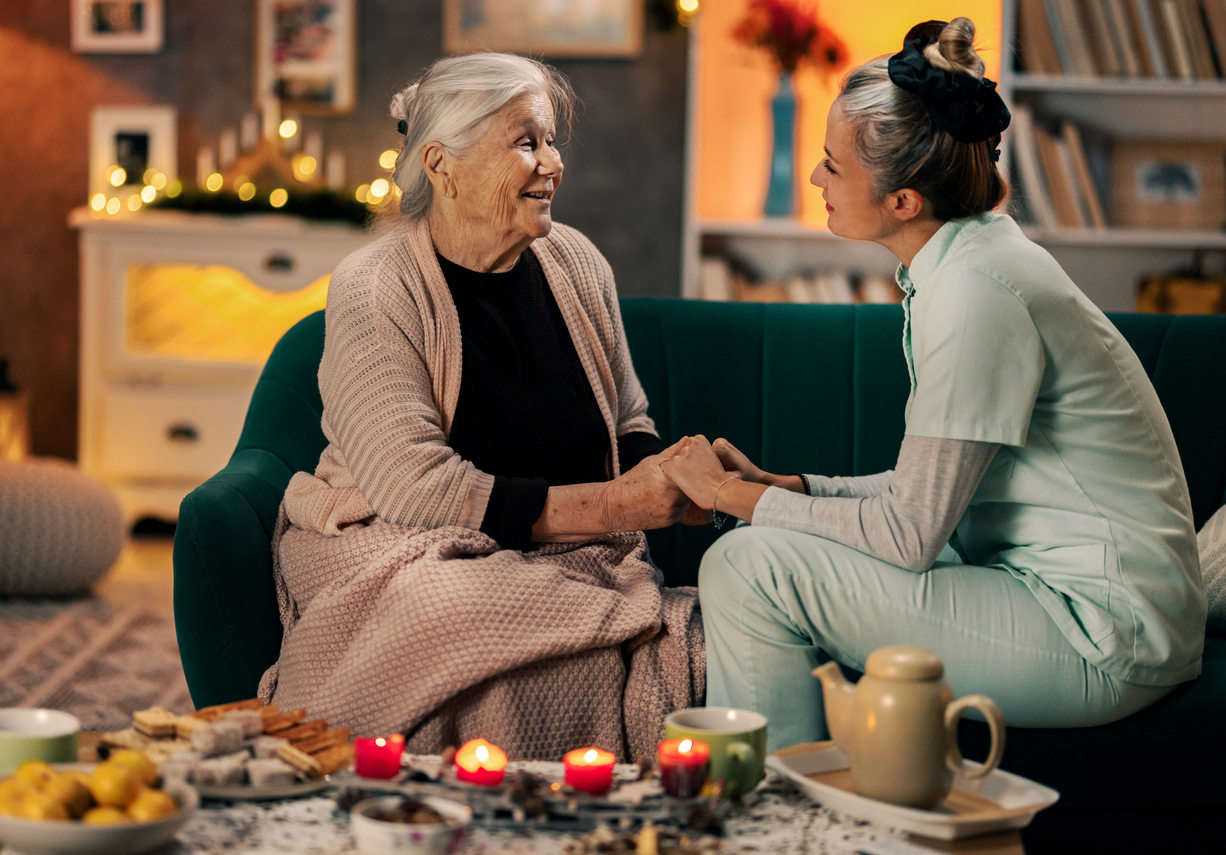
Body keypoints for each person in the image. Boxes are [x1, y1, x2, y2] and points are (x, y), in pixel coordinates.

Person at [659, 18, 1206, 752]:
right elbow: (929, 497)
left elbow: (911, 534)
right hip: (1064, 593)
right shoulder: (967, 262)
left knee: (748, 567)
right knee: (753, 553)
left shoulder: (976, 292)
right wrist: (791, 486)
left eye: (832, 166)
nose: (818, 179)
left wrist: (737, 499)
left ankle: (775, 822)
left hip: (1103, 631)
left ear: (904, 201)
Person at [259, 53, 705, 761]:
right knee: (455, 608)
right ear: (442, 166)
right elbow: (414, 486)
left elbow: (627, 420)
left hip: (564, 553)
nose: (552, 163)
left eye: (553, 140)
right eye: (527, 142)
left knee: (546, 620)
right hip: (401, 538)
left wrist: (679, 475)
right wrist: (622, 505)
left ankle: (541, 818)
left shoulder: (579, 262)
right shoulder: (375, 286)